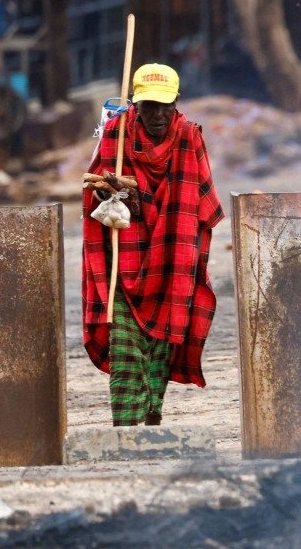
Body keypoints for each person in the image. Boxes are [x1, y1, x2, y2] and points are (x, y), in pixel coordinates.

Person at [82, 63, 224, 427]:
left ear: (176, 102)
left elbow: (204, 206)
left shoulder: (189, 136)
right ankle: (125, 431)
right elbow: (94, 193)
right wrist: (109, 195)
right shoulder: (115, 133)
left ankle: (150, 420)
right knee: (125, 344)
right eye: (149, 106)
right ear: (135, 104)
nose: (158, 115)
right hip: (124, 256)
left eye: (165, 105)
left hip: (171, 255)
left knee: (161, 342)